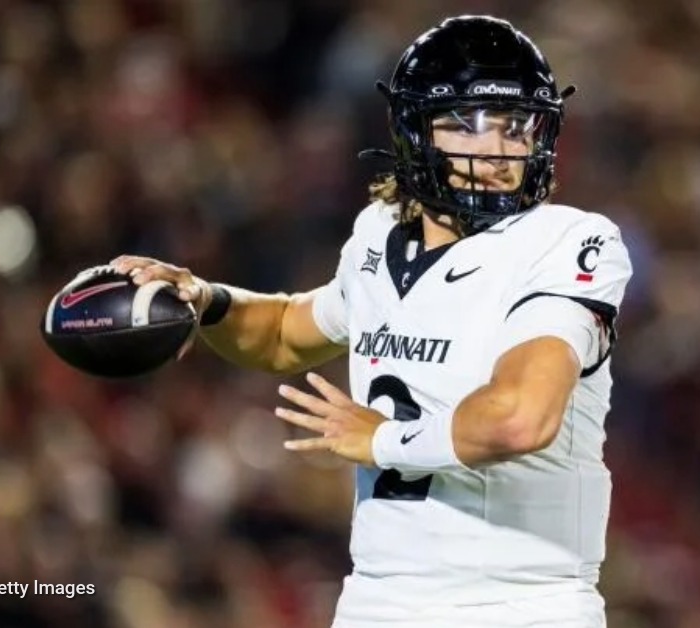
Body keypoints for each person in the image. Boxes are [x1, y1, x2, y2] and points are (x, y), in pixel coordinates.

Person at [111, 14, 632, 628]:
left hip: (519, 602)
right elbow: (283, 334)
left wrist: (382, 438)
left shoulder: (567, 241)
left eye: (516, 124)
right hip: (379, 600)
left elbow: (520, 417)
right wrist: (207, 300)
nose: (498, 149)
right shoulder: (379, 234)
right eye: (468, 122)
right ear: (415, 132)